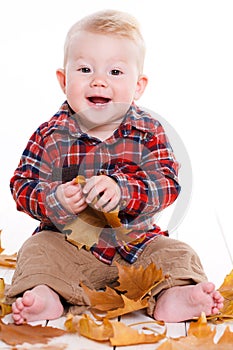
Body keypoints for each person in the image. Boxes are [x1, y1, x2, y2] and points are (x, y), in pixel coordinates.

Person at [6, 9, 224, 325]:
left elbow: (167, 184)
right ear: (64, 81)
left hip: (137, 248)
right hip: (68, 248)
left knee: (179, 253)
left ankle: (174, 297)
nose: (99, 80)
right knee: (37, 248)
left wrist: (124, 191)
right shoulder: (51, 135)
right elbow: (22, 185)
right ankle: (45, 295)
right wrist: (57, 199)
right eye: (85, 69)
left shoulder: (148, 131)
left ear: (138, 86)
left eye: (116, 72)